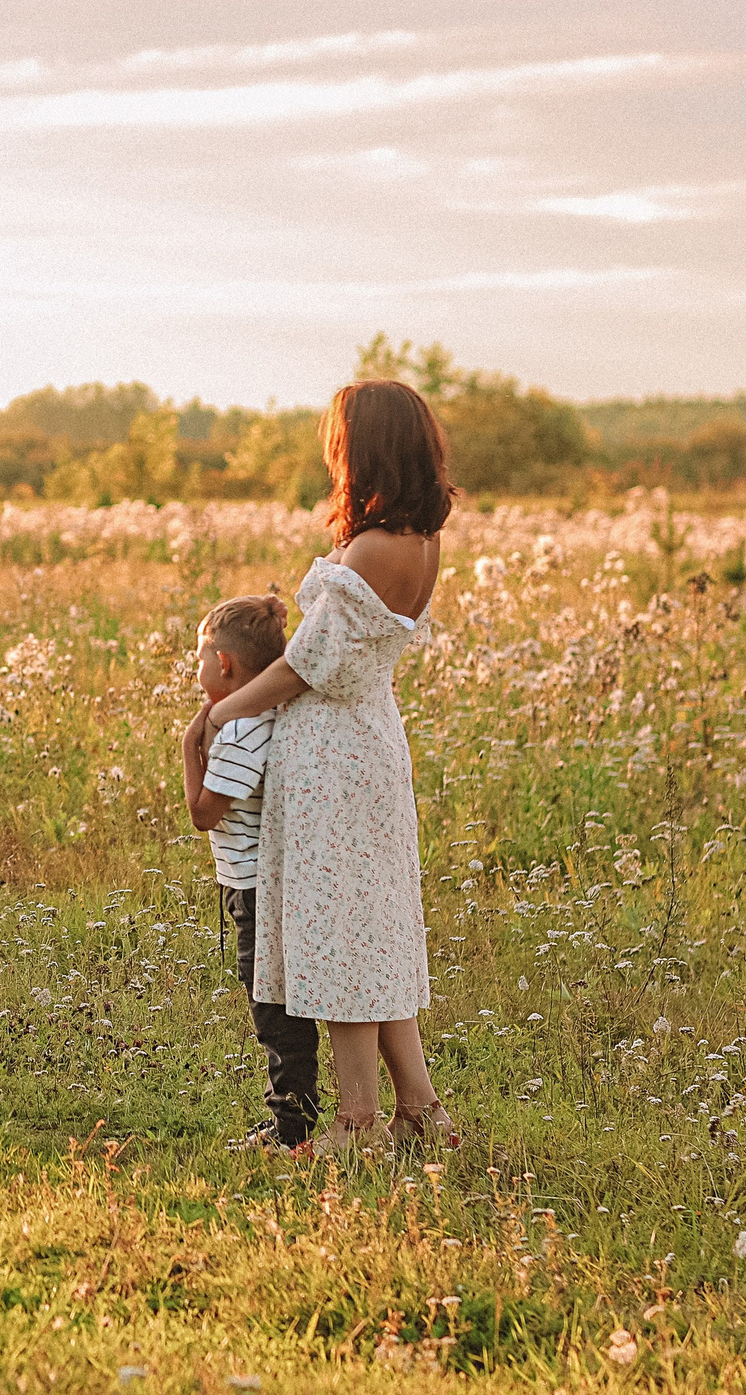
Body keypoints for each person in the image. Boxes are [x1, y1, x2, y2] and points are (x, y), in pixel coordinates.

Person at [205, 378, 462, 1158]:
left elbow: (308, 665)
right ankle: (419, 1106)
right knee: (375, 926)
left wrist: (224, 710)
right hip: (372, 738)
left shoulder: (373, 546)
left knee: (345, 933)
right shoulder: (423, 540)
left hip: (332, 758)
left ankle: (357, 1122)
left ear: (366, 448)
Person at [181, 593, 321, 1150]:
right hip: (272, 882)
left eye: (199, 657)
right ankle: (294, 1116)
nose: (196, 669)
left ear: (226, 663)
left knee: (272, 1007)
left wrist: (189, 745)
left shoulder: (238, 730)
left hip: (253, 885)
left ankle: (292, 1125)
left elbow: (203, 813)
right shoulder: (272, 713)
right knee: (279, 1002)